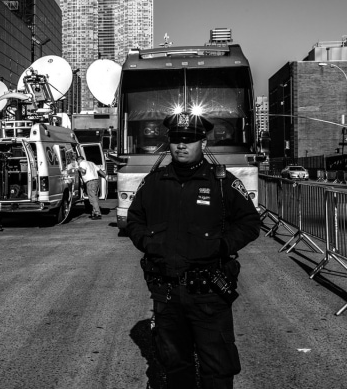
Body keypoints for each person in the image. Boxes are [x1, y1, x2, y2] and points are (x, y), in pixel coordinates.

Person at [126, 111, 261, 389]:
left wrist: (221, 245)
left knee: (217, 368)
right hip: (167, 292)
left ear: (204, 143)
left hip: (208, 294)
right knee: (176, 366)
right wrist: (149, 244)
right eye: (176, 139)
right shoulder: (154, 183)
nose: (181, 145)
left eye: (189, 139)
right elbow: (134, 220)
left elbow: (249, 222)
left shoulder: (222, 182)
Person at [76, 155, 103, 219]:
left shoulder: (82, 163)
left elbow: (83, 171)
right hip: (96, 181)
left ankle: (97, 213)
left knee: (92, 199)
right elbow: (100, 171)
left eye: (77, 162)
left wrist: (78, 168)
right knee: (95, 198)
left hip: (90, 182)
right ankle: (94, 213)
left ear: (79, 160)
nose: (78, 163)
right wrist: (105, 177)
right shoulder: (91, 163)